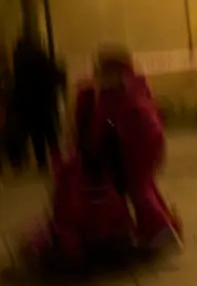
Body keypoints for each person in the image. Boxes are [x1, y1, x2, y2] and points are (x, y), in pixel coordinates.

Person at [24, 47, 181, 270]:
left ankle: (159, 231)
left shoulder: (127, 96)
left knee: (140, 190)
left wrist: (107, 139)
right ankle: (157, 229)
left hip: (136, 151)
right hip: (131, 150)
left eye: (103, 72)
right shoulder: (120, 92)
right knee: (143, 189)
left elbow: (124, 124)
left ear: (118, 73)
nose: (99, 76)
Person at [6, 35, 65, 171]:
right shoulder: (41, 58)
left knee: (37, 136)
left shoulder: (19, 64)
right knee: (50, 134)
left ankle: (42, 163)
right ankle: (56, 161)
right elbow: (54, 76)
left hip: (29, 106)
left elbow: (18, 88)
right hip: (44, 103)